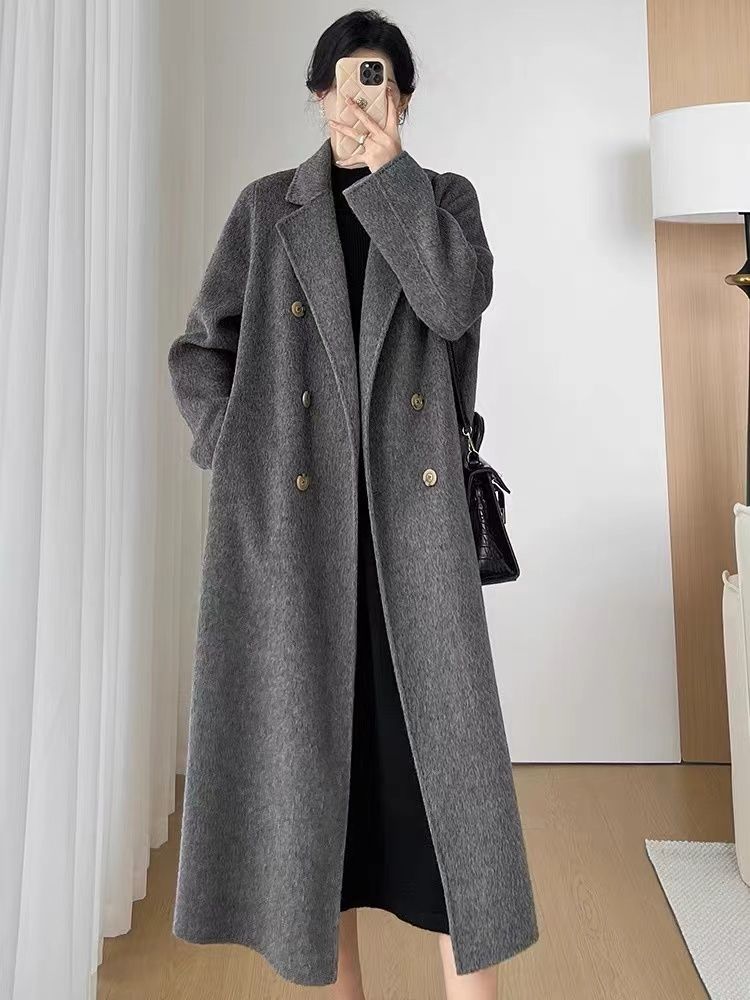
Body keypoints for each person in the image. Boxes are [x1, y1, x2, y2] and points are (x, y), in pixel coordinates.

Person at [167, 10, 538, 1000]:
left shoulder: (443, 200)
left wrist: (392, 177)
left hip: (415, 543)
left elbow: (454, 304)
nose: (356, 101)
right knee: (314, 811)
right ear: (316, 95)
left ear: (402, 99)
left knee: (451, 812)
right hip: (299, 542)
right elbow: (200, 350)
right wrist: (235, 451)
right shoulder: (267, 210)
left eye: (376, 82)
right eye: (340, 82)